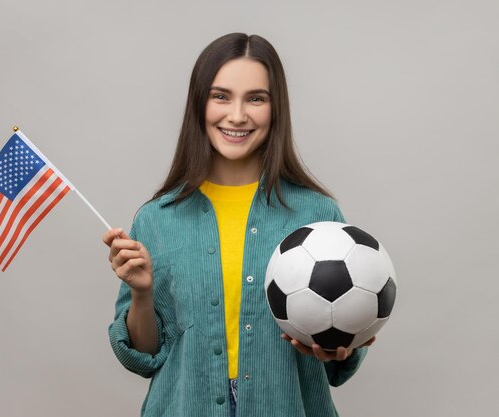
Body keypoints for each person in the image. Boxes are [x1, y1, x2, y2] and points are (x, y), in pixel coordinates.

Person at [102, 33, 374, 417]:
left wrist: (339, 345)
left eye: (256, 99)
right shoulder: (156, 218)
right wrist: (142, 293)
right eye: (221, 96)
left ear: (275, 108)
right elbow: (143, 357)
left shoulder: (318, 214)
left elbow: (340, 360)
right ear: (200, 104)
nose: (237, 115)